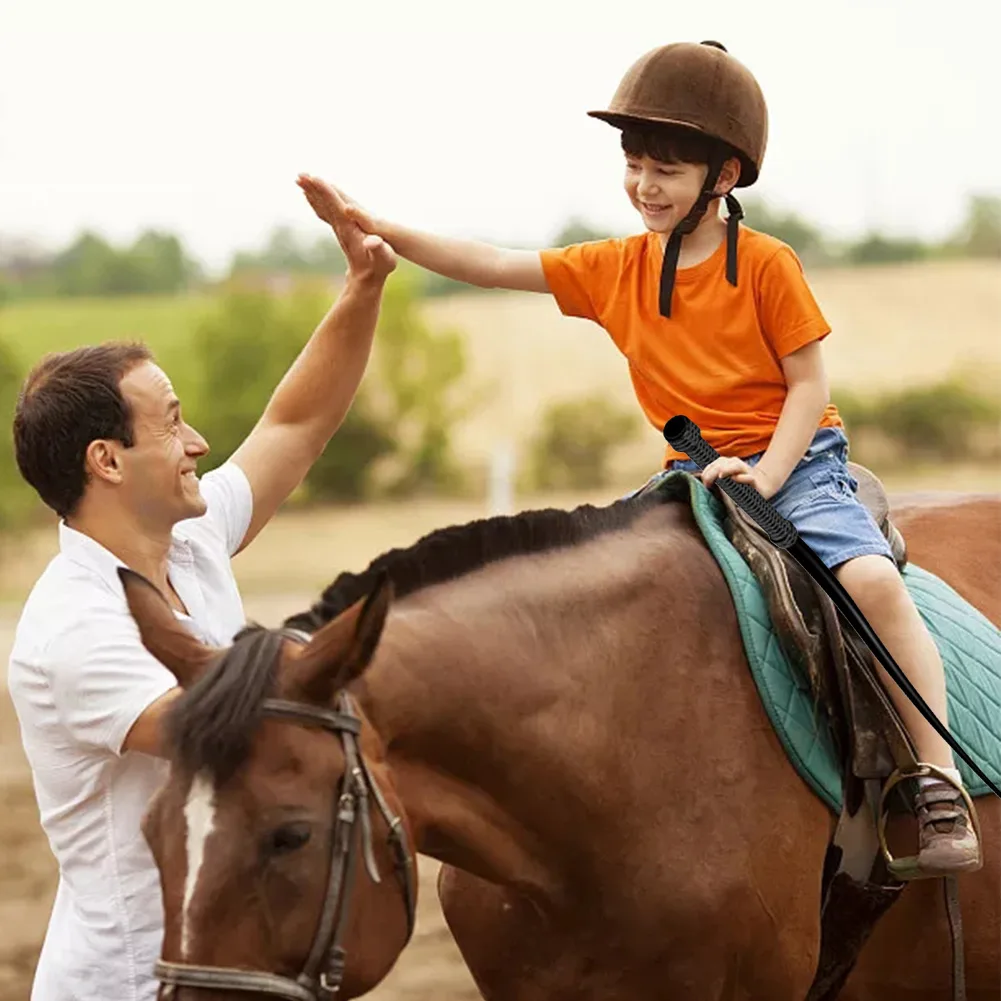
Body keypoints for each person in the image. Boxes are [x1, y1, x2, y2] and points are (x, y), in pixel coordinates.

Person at [308, 40, 980, 876]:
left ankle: (936, 773)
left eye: (665, 168)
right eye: (633, 164)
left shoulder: (767, 265)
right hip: (688, 471)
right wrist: (373, 227)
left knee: (871, 581)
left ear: (722, 176)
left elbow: (807, 386)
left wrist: (767, 474)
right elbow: (485, 262)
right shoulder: (613, 267)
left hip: (793, 462)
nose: (643, 185)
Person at [6, 175, 396, 1001]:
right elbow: (234, 733)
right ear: (106, 461)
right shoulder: (71, 629)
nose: (198, 440)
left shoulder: (186, 539)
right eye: (172, 421)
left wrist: (364, 286)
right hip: (130, 983)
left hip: (226, 961)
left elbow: (295, 424)